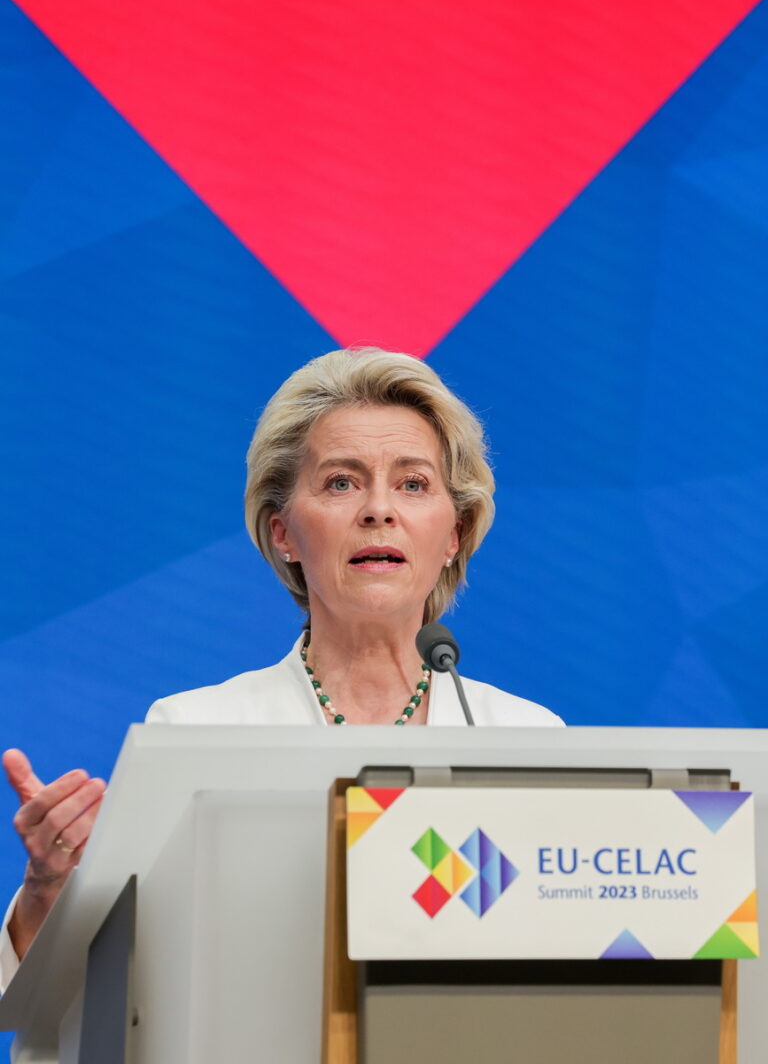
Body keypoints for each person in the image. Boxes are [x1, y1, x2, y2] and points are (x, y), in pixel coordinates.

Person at [1, 347, 562, 990]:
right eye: (341, 482)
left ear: (454, 533)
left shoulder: (527, 738)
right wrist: (48, 888)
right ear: (283, 534)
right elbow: (88, 993)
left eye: (412, 484)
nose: (379, 510)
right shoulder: (196, 732)